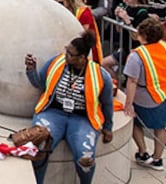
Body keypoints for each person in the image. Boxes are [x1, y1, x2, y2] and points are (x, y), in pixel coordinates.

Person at [24, 31, 114, 184]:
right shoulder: (56, 62)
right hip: (53, 113)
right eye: (66, 51)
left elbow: (107, 103)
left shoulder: (100, 75)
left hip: (82, 118)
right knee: (39, 147)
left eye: (70, 54)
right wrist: (31, 69)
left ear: (81, 57)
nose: (66, 55)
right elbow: (39, 83)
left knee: (85, 157)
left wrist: (108, 127)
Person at [122, 15, 166, 170]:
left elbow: (132, 81)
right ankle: (157, 159)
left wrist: (128, 103)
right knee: (161, 128)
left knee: (134, 121)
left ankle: (143, 152)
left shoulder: (137, 55)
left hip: (145, 96)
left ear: (144, 35)